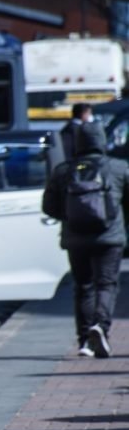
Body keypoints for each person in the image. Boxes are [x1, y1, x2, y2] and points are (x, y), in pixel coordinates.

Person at [42, 121, 129, 358]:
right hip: (110, 236)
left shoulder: (63, 171)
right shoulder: (119, 168)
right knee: (107, 284)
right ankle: (100, 326)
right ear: (102, 140)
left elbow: (48, 206)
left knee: (83, 286)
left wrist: (70, 217)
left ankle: (84, 341)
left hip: (76, 238)